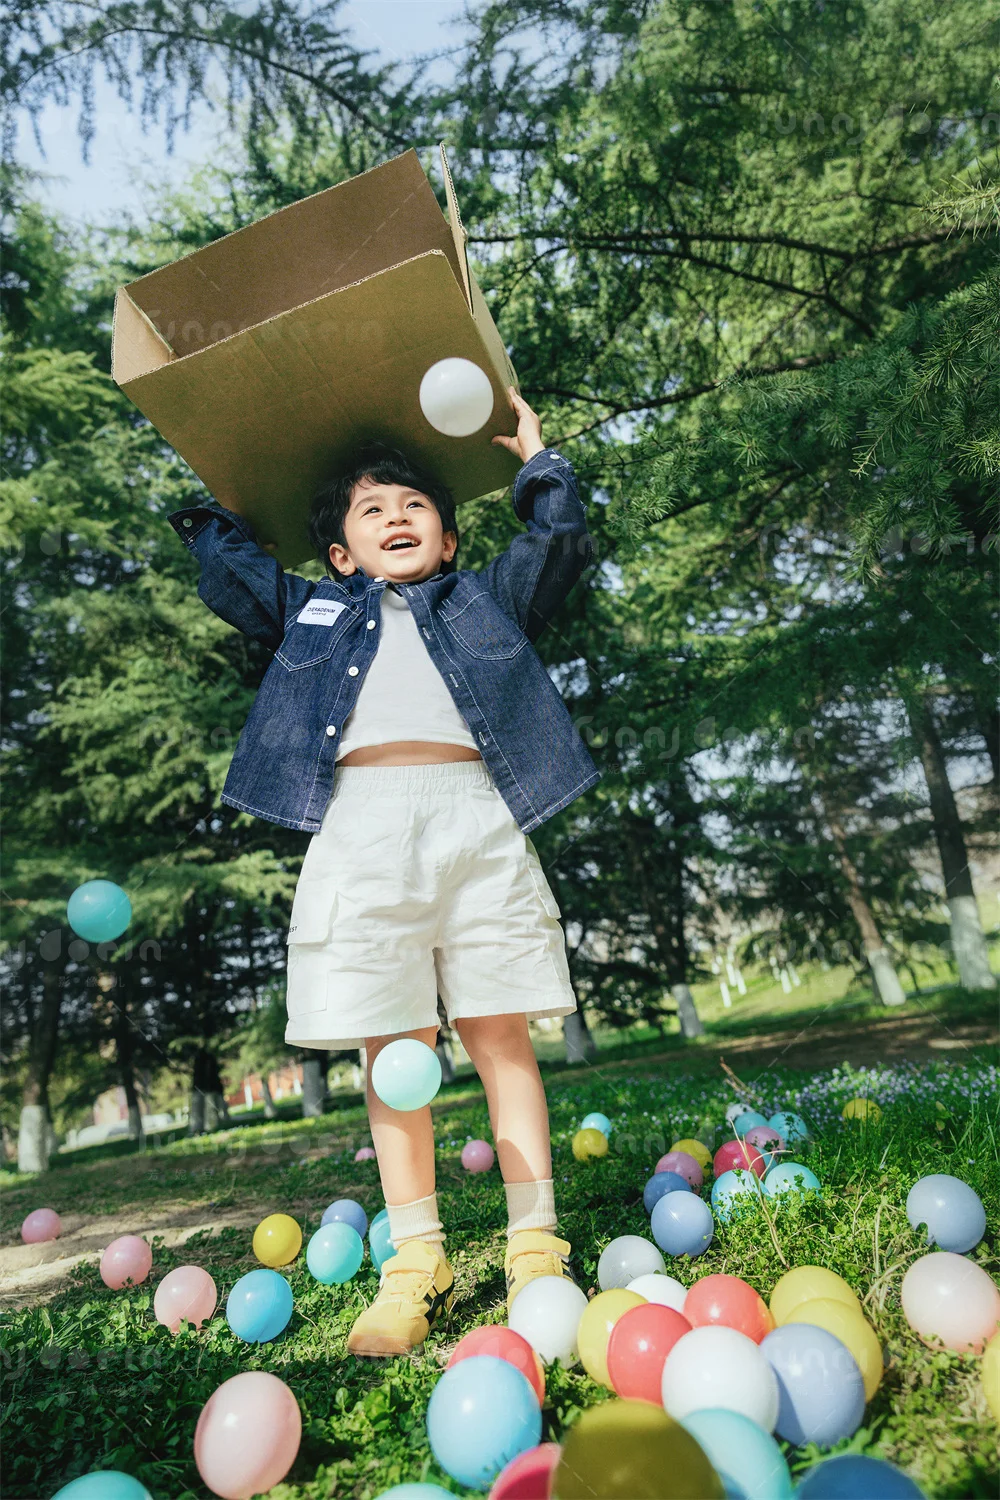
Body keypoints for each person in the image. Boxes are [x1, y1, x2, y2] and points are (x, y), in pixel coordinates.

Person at [169, 387, 600, 1357]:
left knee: (500, 1035)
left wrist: (539, 462)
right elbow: (234, 578)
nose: (396, 517)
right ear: (339, 554)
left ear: (447, 539)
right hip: (361, 835)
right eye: (372, 510)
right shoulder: (315, 610)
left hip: (477, 824)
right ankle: (418, 1258)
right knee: (391, 1055)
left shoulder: (483, 598)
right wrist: (222, 491)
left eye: (414, 506)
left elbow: (555, 545)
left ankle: (535, 1244)